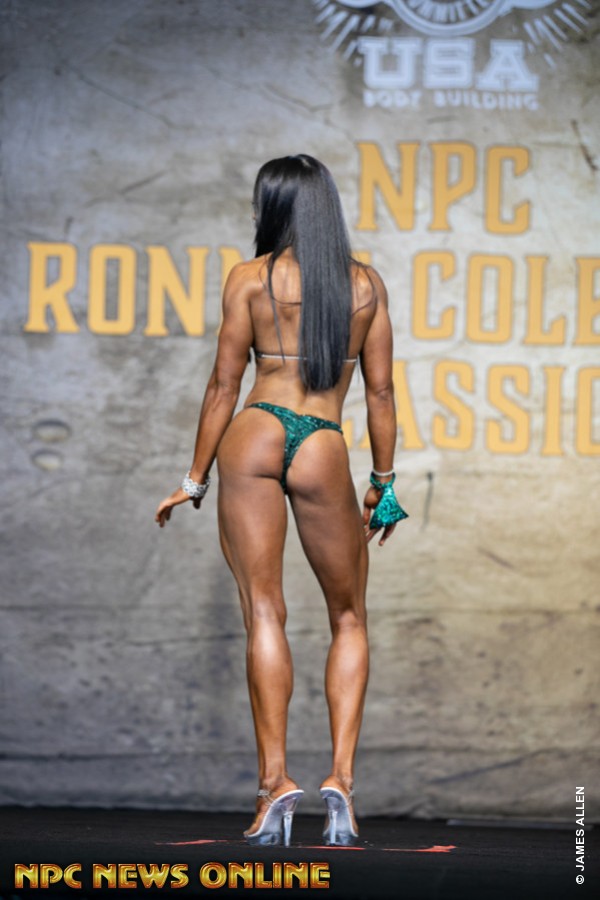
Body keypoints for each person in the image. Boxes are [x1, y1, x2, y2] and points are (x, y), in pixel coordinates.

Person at [155, 154, 407, 847]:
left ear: (274, 208)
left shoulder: (249, 278)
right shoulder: (365, 286)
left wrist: (194, 478)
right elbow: (381, 393)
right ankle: (342, 784)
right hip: (322, 439)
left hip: (255, 430)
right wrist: (384, 486)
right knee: (349, 617)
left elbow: (222, 385)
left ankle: (274, 784)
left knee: (264, 612)